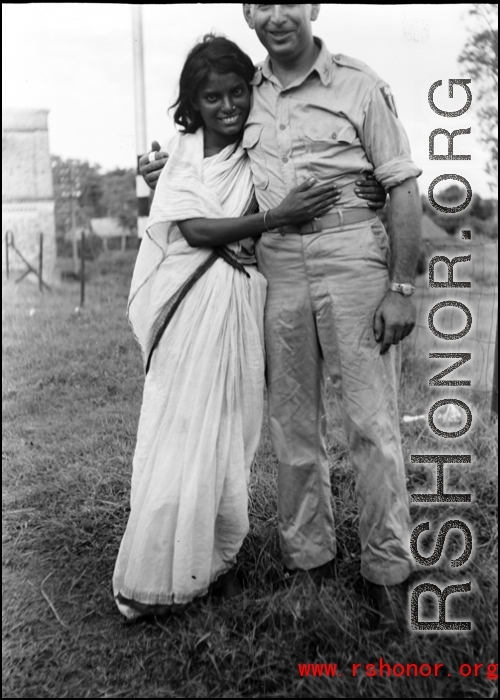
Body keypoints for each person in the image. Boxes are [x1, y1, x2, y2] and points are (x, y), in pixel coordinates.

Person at [141, 4, 420, 631]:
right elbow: (206, 144)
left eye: (287, 1)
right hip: (277, 267)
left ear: (314, 6)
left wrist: (401, 287)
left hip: (353, 257)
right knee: (292, 423)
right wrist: (163, 169)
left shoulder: (360, 83)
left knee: (371, 425)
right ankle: (310, 564)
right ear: (247, 13)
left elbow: (401, 185)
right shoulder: (245, 88)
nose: (276, 16)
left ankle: (387, 572)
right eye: (260, 4)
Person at [113, 35, 352, 620]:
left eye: (238, 92)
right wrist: (276, 217)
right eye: (212, 96)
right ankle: (156, 574)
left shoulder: (254, 151)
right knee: (181, 432)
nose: (227, 106)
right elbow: (194, 230)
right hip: (193, 302)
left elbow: (312, 172)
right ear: (192, 103)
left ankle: (210, 562)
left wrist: (358, 186)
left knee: (228, 436)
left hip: (241, 303)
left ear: (252, 90)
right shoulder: (184, 153)